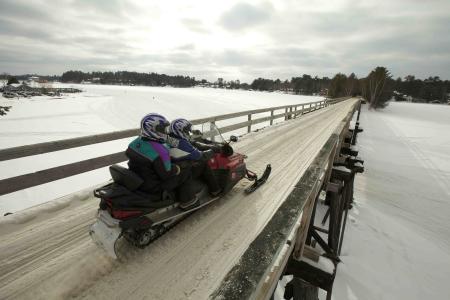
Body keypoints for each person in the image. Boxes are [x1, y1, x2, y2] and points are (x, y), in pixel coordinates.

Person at [125, 113, 195, 207]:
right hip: (154, 187)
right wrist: (178, 167)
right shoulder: (161, 151)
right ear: (152, 129)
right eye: (162, 129)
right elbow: (166, 174)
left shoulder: (135, 143)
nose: (165, 132)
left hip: (140, 179)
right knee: (186, 171)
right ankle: (188, 201)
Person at [167, 118, 222, 203]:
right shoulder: (182, 143)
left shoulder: (171, 139)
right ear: (181, 131)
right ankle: (215, 190)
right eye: (186, 131)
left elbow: (192, 143)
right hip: (183, 171)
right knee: (203, 164)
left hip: (176, 168)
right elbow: (200, 156)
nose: (188, 133)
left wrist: (209, 146)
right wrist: (213, 150)